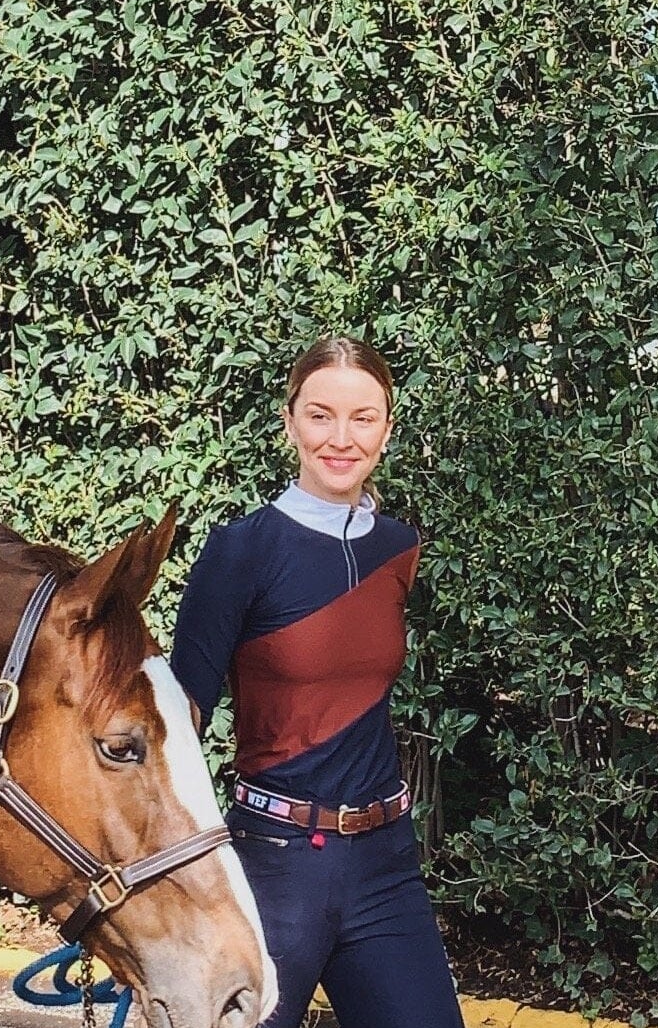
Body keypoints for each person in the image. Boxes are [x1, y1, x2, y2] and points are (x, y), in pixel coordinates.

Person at [170, 336, 461, 1028]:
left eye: (363, 418)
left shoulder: (398, 548)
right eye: (320, 415)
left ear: (387, 429)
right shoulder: (239, 552)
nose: (341, 438)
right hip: (274, 866)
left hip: (385, 864)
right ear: (290, 421)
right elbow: (177, 728)